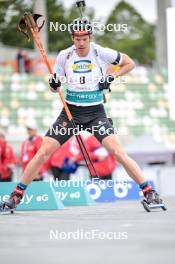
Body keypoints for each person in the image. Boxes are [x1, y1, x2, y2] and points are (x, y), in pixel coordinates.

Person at [3, 16, 163, 209]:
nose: (80, 42)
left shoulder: (100, 52)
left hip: (96, 113)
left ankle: (149, 192)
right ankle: (15, 196)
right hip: (70, 114)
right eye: (77, 38)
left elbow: (129, 63)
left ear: (90, 37)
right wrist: (53, 84)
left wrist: (111, 76)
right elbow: (55, 87)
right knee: (43, 152)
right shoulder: (65, 56)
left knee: (118, 152)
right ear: (72, 38)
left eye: (84, 38)